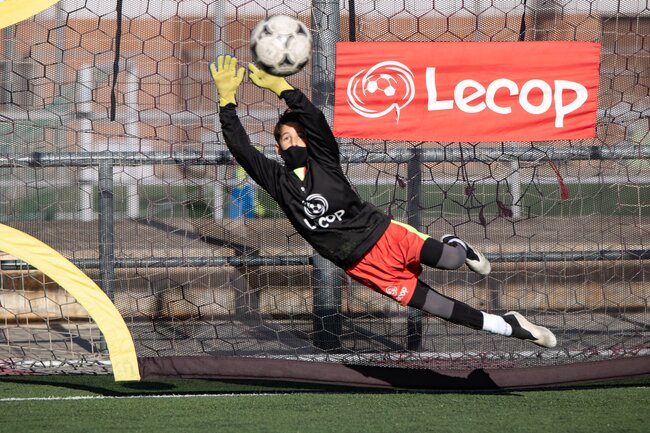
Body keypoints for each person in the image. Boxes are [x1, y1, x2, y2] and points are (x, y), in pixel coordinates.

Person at [210, 55, 556, 348]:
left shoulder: (325, 161)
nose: (293, 140)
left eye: (298, 135)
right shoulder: (277, 181)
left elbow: (315, 121)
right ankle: (510, 325)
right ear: (278, 149)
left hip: (385, 234)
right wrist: (227, 100)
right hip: (363, 264)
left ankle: (457, 245)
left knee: (450, 261)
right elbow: (241, 148)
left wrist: (280, 88)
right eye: (286, 138)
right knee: (435, 305)